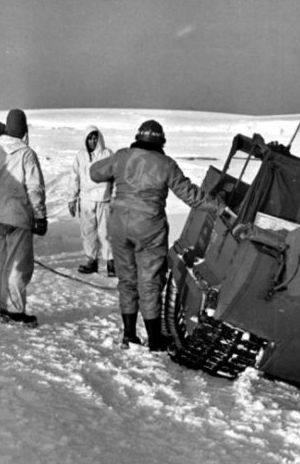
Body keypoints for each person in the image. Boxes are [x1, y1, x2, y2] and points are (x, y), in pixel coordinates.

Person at [89, 120, 223, 351]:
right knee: (150, 282)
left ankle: (129, 335)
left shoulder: (122, 156)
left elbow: (94, 173)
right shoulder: (166, 164)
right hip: (149, 229)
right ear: (161, 141)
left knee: (127, 280)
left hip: (119, 225)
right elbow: (190, 195)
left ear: (138, 137)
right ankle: (155, 339)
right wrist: (219, 207)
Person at [0, 109, 47, 327]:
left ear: (6, 127)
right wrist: (40, 217)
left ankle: (2, 307)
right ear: (24, 129)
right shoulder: (26, 154)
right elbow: (35, 189)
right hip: (17, 217)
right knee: (17, 265)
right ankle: (16, 311)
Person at [68, 126, 115, 277]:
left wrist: (114, 197)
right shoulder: (80, 156)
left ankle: (111, 263)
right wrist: (72, 199)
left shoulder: (107, 154)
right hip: (86, 200)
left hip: (104, 200)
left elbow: (116, 177)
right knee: (88, 232)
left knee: (106, 233)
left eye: (95, 137)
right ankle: (91, 261)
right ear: (85, 139)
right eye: (90, 138)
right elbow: (74, 178)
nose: (93, 140)